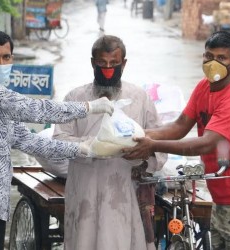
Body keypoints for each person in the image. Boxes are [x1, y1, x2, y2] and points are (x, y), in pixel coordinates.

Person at [0, 29, 114, 250]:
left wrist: (82, 150)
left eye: (6, 57)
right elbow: (33, 109)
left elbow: (28, 140)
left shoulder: (0, 98)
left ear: (12, 59)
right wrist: (88, 107)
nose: (1, 62)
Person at [123, 31, 230, 250]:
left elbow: (207, 143)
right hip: (219, 193)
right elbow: (180, 125)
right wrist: (142, 134)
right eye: (209, 56)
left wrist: (153, 145)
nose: (213, 63)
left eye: (221, 58)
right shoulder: (203, 87)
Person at [52, 35, 166, 250]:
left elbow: (158, 141)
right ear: (92, 62)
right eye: (102, 63)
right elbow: (59, 140)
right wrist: (93, 146)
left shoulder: (139, 97)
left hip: (125, 189)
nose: (108, 69)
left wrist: (144, 158)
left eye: (114, 63)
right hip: (85, 188)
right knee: (83, 241)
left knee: (123, 241)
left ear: (124, 64)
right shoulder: (75, 98)